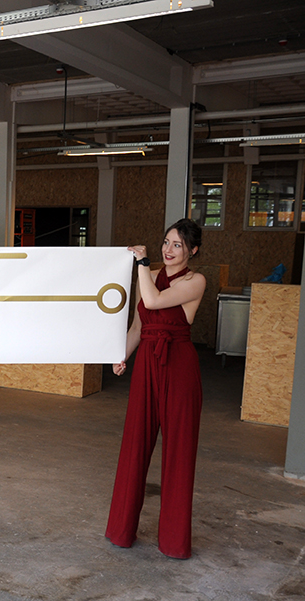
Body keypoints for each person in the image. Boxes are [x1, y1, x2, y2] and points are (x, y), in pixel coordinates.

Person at [105, 219, 206, 559]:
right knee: (135, 443)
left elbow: (153, 301)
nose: (169, 249)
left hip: (179, 367)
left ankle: (174, 542)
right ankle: (121, 531)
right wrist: (122, 355)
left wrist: (143, 265)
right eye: (166, 242)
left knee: (179, 452)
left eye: (178, 244)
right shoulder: (148, 274)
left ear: (193, 250)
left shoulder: (195, 281)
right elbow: (138, 324)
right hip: (147, 363)